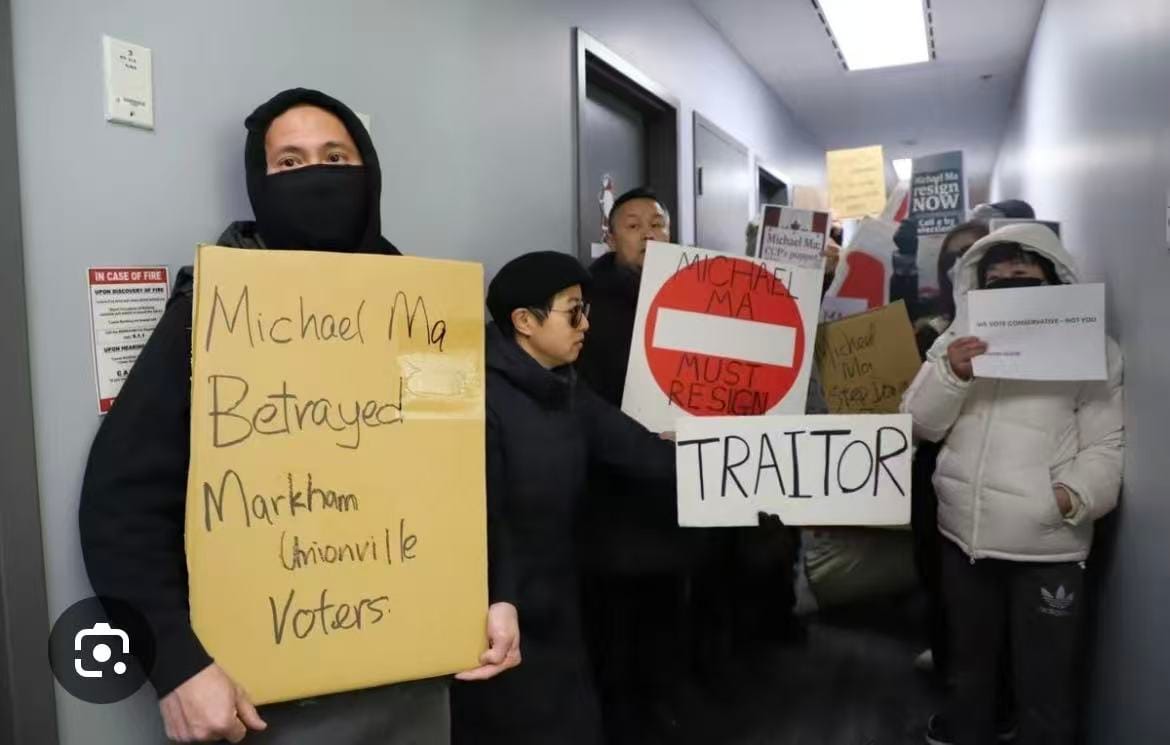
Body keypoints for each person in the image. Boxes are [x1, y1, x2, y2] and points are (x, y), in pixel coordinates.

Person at [79, 88, 519, 745]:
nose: (316, 175)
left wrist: (498, 591)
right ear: (261, 183)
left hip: (418, 686)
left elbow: (467, 471)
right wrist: (174, 666)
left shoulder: (422, 314)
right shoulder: (210, 318)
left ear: (368, 170)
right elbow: (121, 505)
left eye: (335, 157)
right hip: (267, 705)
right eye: (290, 162)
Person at [902, 223, 1124, 745]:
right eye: (996, 272)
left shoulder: (1094, 349)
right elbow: (918, 424)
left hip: (1048, 547)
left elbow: (1105, 445)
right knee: (969, 671)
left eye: (1024, 267)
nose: (1009, 275)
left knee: (1046, 687)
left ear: (1052, 276)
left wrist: (1068, 498)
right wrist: (952, 374)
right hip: (963, 539)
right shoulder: (957, 341)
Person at [451, 251, 676, 745]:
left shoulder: (563, 386)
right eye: (573, 312)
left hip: (560, 602)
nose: (586, 325)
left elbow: (634, 448)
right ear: (524, 322)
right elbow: (478, 519)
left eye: (585, 311)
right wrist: (501, 599)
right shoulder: (479, 398)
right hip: (501, 615)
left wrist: (722, 464)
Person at [574, 187, 696, 742]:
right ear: (609, 237)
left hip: (676, 483)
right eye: (633, 225)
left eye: (658, 223)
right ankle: (617, 713)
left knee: (667, 603)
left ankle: (662, 701)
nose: (649, 233)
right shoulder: (585, 302)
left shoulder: (696, 295)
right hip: (610, 486)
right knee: (613, 613)